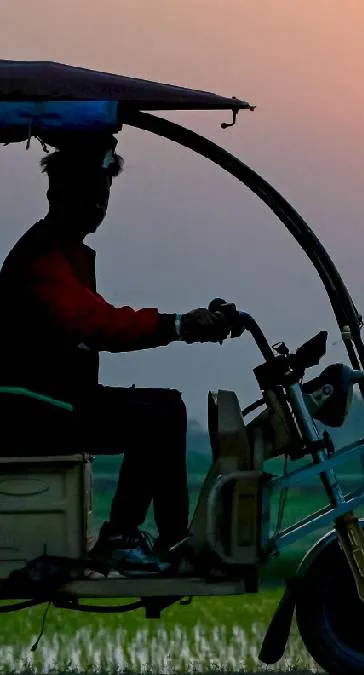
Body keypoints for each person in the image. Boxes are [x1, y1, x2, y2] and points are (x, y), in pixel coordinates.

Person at [0, 134, 231, 574]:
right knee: (152, 420)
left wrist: (179, 325)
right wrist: (178, 325)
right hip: (33, 406)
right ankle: (121, 536)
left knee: (169, 403)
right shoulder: (43, 258)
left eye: (103, 194)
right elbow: (97, 322)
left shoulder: (64, 252)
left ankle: (173, 539)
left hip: (57, 396)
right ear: (57, 194)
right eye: (89, 193)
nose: (98, 205)